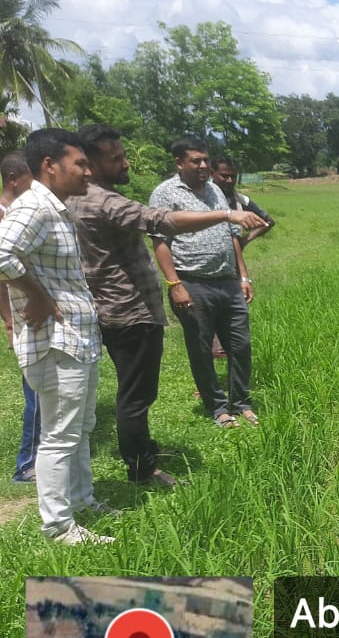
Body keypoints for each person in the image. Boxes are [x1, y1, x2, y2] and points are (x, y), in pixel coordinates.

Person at [70, 126, 267, 485]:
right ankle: (142, 469)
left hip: (131, 307)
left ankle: (144, 456)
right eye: (117, 158)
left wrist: (241, 269)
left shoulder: (80, 199)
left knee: (141, 392)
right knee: (136, 395)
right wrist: (226, 216)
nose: (126, 163)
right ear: (91, 164)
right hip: (128, 310)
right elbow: (161, 223)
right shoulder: (103, 201)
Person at [0, 129, 111, 544]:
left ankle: (81, 501)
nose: (88, 171)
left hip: (76, 338)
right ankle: (59, 527)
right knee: (59, 436)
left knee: (79, 428)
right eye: (80, 163)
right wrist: (38, 295)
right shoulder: (35, 206)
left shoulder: (54, 208)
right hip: (55, 341)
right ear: (49, 165)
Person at [148, 137, 257, 428]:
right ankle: (218, 407)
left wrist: (243, 276)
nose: (203, 165)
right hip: (192, 282)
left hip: (228, 282)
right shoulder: (165, 193)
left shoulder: (215, 190)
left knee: (241, 345)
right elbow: (160, 242)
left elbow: (232, 235)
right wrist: (175, 285)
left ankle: (241, 402)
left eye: (206, 160)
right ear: (179, 162)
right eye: (196, 160)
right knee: (201, 348)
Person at [208, 155, 274, 360]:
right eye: (224, 176)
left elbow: (267, 221)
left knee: (232, 303)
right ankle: (215, 346)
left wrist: (245, 240)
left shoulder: (239, 200)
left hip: (232, 261)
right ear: (212, 173)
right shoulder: (202, 198)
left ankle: (225, 346)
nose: (229, 180)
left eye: (233, 176)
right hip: (205, 263)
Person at [0, 152, 38, 483]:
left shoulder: (25, 211)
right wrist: (9, 323)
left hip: (34, 312)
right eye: (31, 177)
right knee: (35, 391)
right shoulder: (4, 216)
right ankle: (27, 463)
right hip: (22, 315)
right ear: (13, 179)